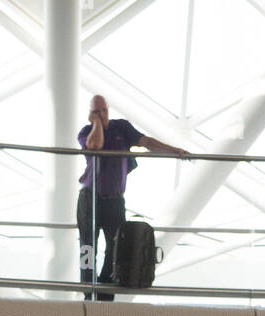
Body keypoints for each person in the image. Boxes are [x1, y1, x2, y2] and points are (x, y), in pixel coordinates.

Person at [77, 95, 188, 301]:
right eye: (96, 112)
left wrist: (173, 150)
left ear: (109, 109)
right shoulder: (86, 132)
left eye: (104, 110)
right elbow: (95, 145)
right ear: (90, 114)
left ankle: (104, 292)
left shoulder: (122, 128)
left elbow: (146, 142)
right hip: (89, 197)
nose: (102, 114)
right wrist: (97, 124)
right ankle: (88, 291)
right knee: (88, 246)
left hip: (115, 199)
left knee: (115, 245)